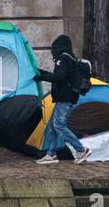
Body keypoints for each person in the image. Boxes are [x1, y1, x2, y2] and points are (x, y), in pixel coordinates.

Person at [33, 33, 92, 164]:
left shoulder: (62, 58)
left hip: (65, 98)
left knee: (58, 124)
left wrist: (42, 77)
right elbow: (61, 76)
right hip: (67, 97)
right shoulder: (70, 58)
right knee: (52, 126)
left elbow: (60, 77)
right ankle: (51, 154)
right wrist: (43, 73)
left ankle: (81, 150)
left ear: (58, 47)